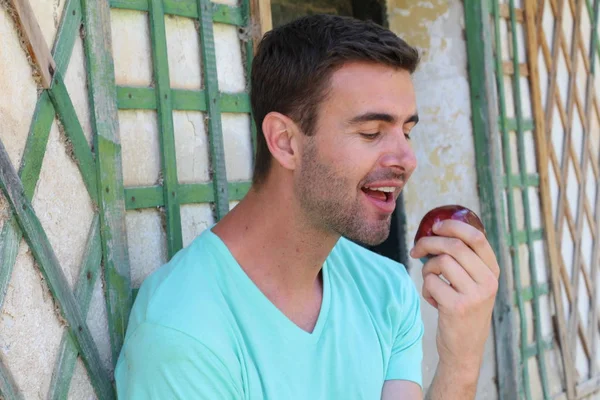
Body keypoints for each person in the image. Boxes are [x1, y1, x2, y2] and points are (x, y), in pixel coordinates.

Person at [115, 14, 499, 399]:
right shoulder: (185, 333)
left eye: (407, 132)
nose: (407, 159)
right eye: (371, 133)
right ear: (285, 142)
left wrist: (461, 362)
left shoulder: (386, 291)